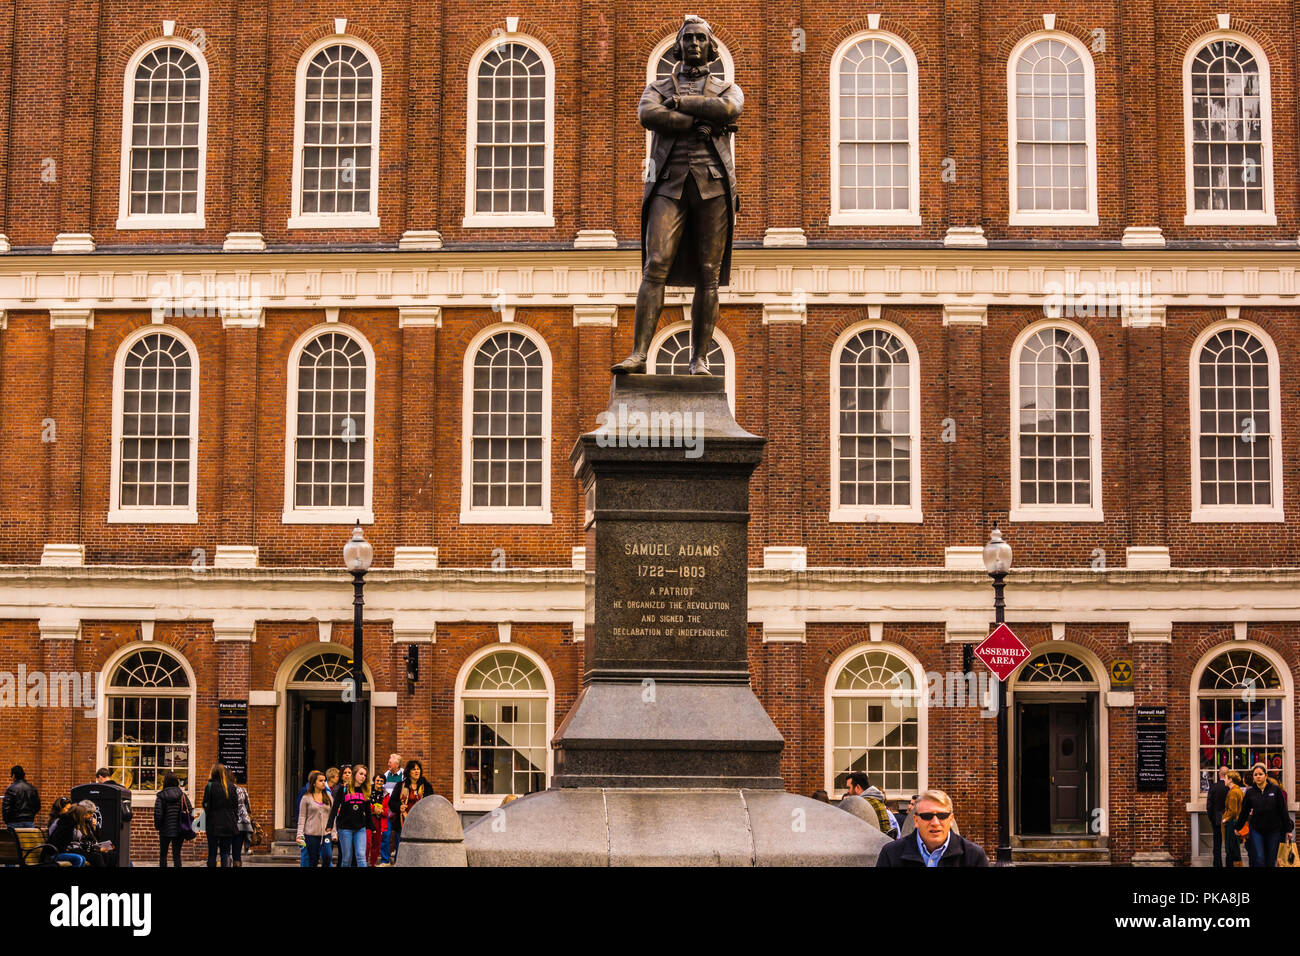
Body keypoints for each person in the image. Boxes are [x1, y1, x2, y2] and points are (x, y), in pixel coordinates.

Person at [612, 15, 742, 377]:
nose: (695, 44)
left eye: (702, 39)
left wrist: (679, 106)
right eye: (689, 39)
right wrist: (699, 118)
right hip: (668, 184)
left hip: (713, 186)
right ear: (678, 46)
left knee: (708, 274)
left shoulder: (726, 87)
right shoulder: (657, 86)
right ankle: (639, 354)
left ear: (711, 48)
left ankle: (699, 359)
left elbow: (730, 110)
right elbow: (648, 115)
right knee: (655, 265)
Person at [876, 789, 989, 867]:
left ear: (950, 819)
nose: (935, 822)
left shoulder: (973, 856)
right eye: (927, 816)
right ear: (916, 820)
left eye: (942, 816)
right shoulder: (891, 854)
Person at [1234, 762, 1294, 868]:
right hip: (1256, 830)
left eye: (1260, 774)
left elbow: (1283, 810)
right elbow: (1244, 811)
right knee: (1259, 858)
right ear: (1253, 777)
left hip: (1274, 830)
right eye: (1255, 775)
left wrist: (1288, 829)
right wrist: (1238, 827)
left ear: (1266, 775)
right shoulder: (1250, 792)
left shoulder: (1275, 790)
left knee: (1271, 860)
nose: (1258, 777)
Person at [389, 759, 433, 862]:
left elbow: (432, 802)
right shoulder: (401, 785)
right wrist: (399, 806)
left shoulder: (426, 786)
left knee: (420, 849)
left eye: (418, 769)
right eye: (414, 769)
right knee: (401, 849)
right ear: (409, 772)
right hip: (403, 822)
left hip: (421, 823)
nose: (417, 771)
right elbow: (391, 803)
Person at [327, 763, 371, 867]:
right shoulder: (343, 789)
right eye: (361, 774)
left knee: (361, 856)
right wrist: (329, 824)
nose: (363, 777)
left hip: (360, 828)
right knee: (347, 858)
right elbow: (334, 808)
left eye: (365, 775)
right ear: (355, 774)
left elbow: (368, 810)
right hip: (345, 827)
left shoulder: (365, 790)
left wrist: (371, 826)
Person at [201, 763, 240, 868]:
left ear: (213, 772)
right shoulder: (232, 787)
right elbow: (236, 807)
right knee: (226, 852)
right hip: (228, 824)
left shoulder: (209, 786)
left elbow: (205, 804)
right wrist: (233, 819)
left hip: (213, 824)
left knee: (212, 853)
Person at [844, 771, 898, 838]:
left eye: (849, 788)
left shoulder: (863, 804)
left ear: (857, 787)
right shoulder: (875, 799)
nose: (847, 791)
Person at [296, 770, 333, 867]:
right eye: (320, 781)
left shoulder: (329, 797)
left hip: (326, 834)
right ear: (313, 783)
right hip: (311, 834)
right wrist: (299, 834)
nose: (323, 783)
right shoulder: (306, 798)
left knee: (327, 856)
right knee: (313, 860)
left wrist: (334, 832)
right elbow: (302, 817)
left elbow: (333, 816)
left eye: (324, 781)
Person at [152, 773, 189, 868]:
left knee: (163, 855)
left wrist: (158, 826)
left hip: (165, 830)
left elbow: (158, 814)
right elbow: (190, 810)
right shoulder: (182, 795)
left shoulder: (161, 796)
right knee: (177, 855)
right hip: (179, 830)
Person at [1205, 764, 1230, 867]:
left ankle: (1217, 864)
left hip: (1217, 819)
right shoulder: (1230, 787)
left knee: (1217, 844)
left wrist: (1211, 818)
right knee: (1230, 844)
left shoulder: (1214, 787)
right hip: (1229, 818)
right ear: (1228, 774)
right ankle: (1230, 864)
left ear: (1219, 774)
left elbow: (1209, 805)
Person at [380, 753, 402, 864]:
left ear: (397, 764)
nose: (388, 764)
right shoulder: (386, 774)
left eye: (390, 762)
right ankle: (385, 860)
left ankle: (398, 861)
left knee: (399, 836)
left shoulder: (403, 775)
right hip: (387, 810)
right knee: (386, 835)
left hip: (398, 811)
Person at [1222, 770, 1244, 868]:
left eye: (1225, 778)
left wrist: (1225, 819)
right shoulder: (1237, 790)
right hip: (1235, 822)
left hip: (1232, 823)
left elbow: (1233, 811)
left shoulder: (1233, 792)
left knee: (1231, 849)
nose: (1224, 780)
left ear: (1230, 780)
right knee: (1234, 849)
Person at [234, 781, 254, 866]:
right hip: (243, 823)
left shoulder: (226, 791)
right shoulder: (242, 790)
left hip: (231, 822)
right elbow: (249, 807)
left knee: (227, 851)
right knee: (237, 851)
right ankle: (237, 863)